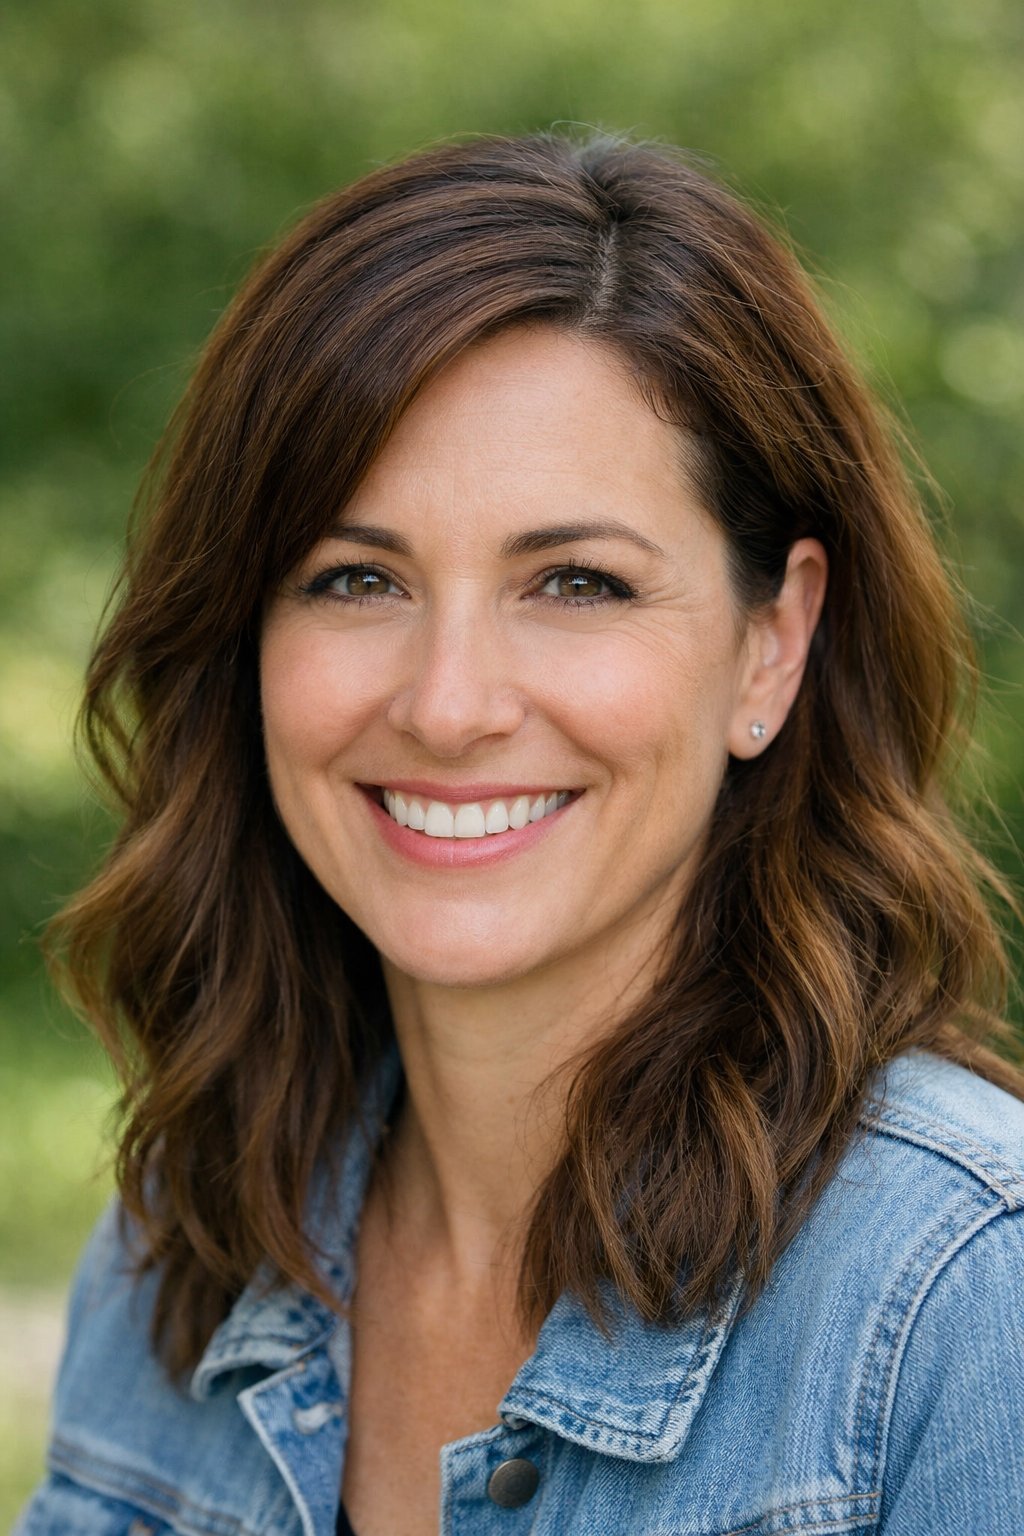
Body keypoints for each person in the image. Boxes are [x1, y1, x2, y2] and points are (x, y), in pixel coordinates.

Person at [17, 131, 1024, 1536]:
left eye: (576, 582)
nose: (448, 705)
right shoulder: (186, 1246)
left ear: (770, 643)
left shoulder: (965, 1301)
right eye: (355, 576)